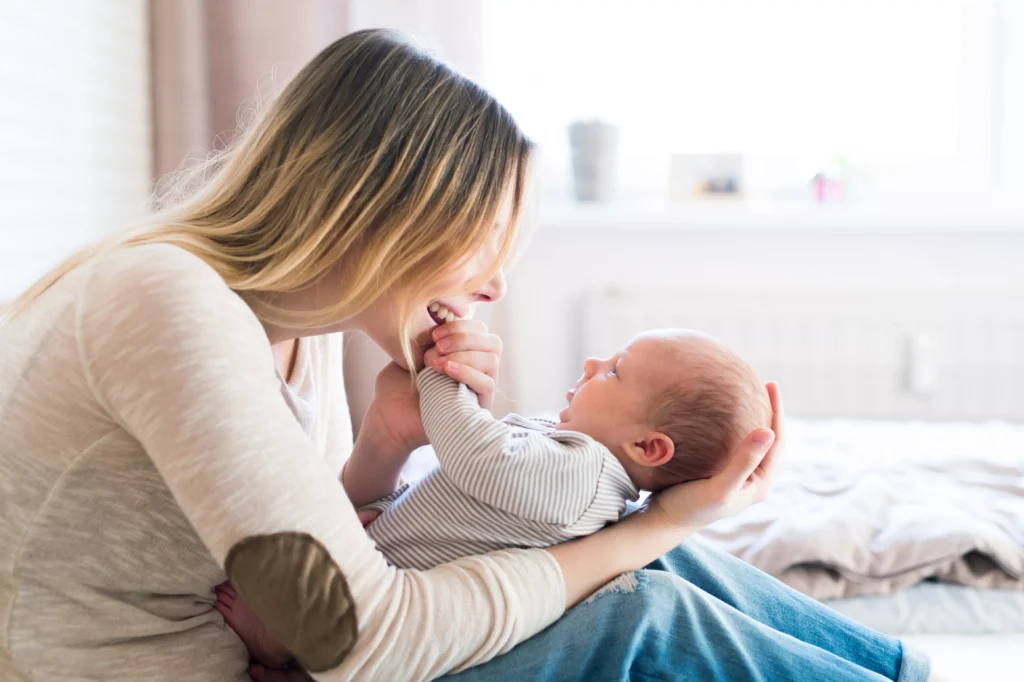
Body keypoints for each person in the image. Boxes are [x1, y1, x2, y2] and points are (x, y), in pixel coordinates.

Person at [0, 28, 931, 682]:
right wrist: (658, 522)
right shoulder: (169, 304)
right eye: (483, 242)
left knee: (641, 574)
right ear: (382, 209)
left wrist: (381, 450)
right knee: (633, 605)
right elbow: (366, 638)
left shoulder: (296, 330)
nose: (493, 287)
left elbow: (306, 550)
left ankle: (904, 672)